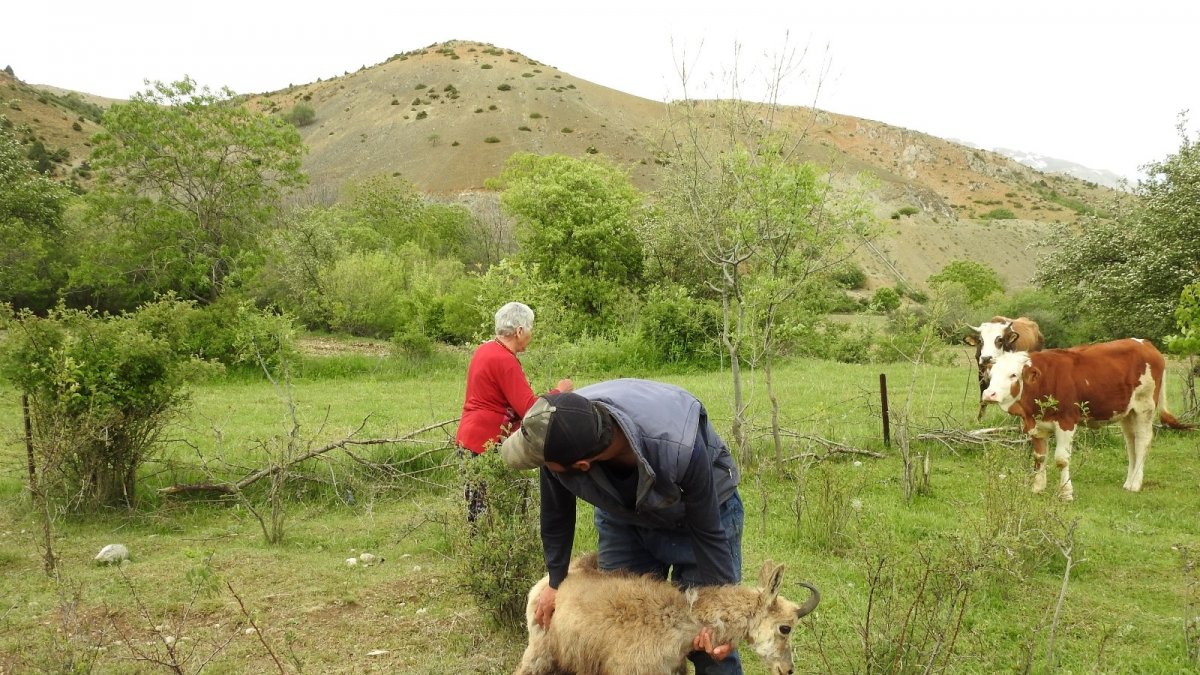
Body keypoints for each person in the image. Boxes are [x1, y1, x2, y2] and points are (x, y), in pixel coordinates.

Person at [501, 378, 745, 675]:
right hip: (623, 516)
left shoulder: (678, 444)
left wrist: (725, 619)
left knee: (707, 644)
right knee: (616, 636)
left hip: (701, 514)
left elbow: (708, 532)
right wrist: (556, 582)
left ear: (581, 466)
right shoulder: (561, 433)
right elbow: (556, 516)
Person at [455, 302, 571, 521]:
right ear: (519, 331)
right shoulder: (504, 360)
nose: (531, 334)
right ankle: (487, 550)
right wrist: (559, 392)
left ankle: (478, 548)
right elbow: (530, 409)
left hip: (468, 436)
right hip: (485, 441)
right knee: (481, 508)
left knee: (476, 505)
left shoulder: (485, 349)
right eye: (530, 328)